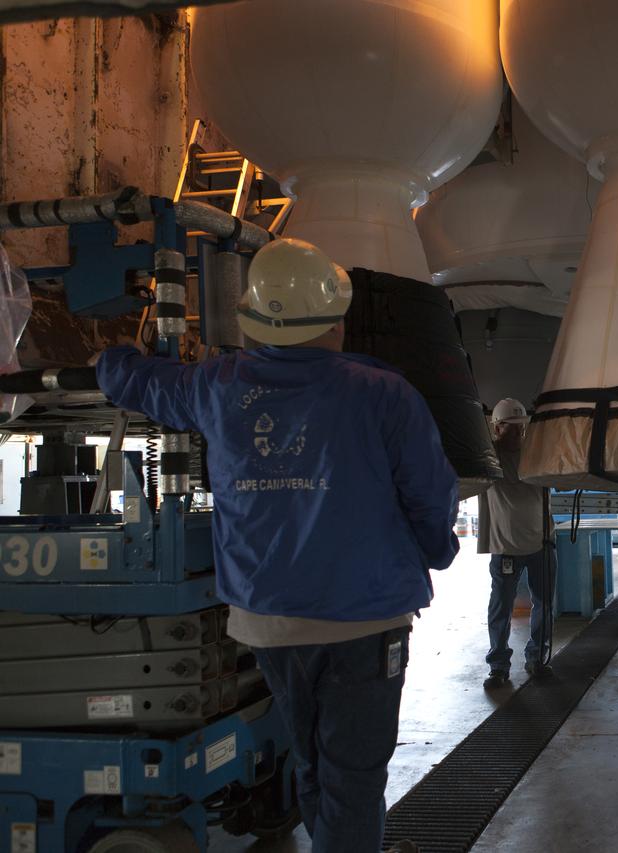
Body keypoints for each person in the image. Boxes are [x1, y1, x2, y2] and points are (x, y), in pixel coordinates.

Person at [95, 238, 459, 853]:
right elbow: (430, 493)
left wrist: (113, 357)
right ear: (336, 321)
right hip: (363, 621)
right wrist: (437, 551)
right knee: (353, 775)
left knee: (310, 759)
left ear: (255, 321)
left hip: (268, 620)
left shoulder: (217, 385)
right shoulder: (382, 393)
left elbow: (139, 384)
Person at [477, 397, 556, 689]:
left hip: (542, 542)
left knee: (544, 604)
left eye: (520, 429)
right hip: (505, 547)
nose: (517, 435)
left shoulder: (537, 455)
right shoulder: (488, 457)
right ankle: (498, 666)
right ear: (496, 428)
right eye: (510, 429)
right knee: (501, 607)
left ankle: (537, 658)